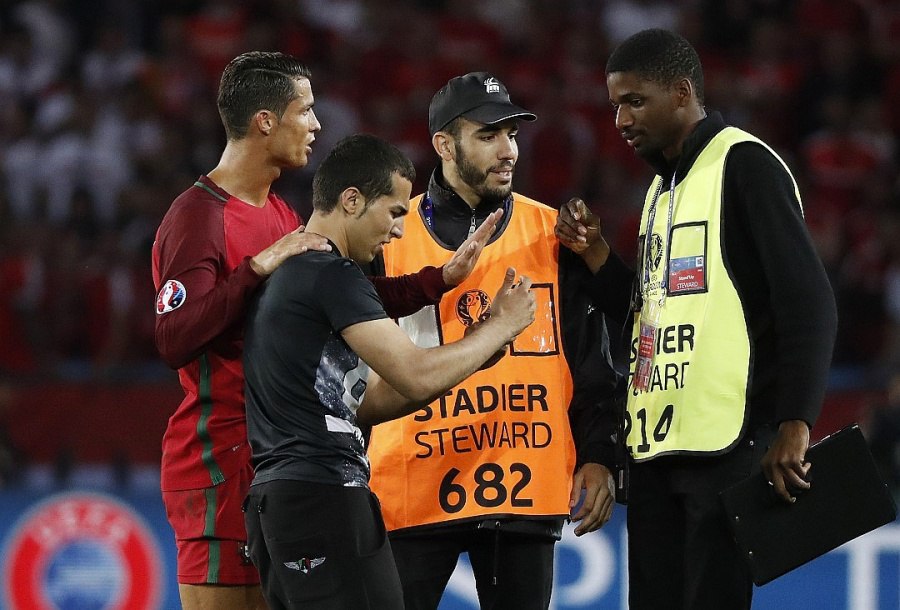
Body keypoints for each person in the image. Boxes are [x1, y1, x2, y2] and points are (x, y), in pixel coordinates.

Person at [151, 52, 495, 610]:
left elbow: (334, 298)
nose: (316, 124)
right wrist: (257, 267)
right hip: (219, 460)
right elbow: (173, 338)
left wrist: (436, 281)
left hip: (274, 458)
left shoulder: (281, 215)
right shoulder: (198, 217)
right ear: (266, 121)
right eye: (305, 110)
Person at [555, 29, 838, 609]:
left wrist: (796, 422)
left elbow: (809, 302)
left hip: (728, 446)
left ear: (682, 92)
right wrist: (598, 257)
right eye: (615, 105)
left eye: (635, 101)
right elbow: (650, 313)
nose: (621, 120)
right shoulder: (660, 190)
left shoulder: (745, 163)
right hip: (658, 451)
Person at [241, 133, 536, 609]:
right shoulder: (331, 274)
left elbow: (372, 402)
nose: (399, 231)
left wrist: (475, 353)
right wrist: (500, 327)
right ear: (352, 200)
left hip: (283, 504)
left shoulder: (294, 275)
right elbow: (413, 373)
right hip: (322, 496)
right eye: (395, 212)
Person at [366, 72, 622, 610]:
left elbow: (591, 359)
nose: (508, 151)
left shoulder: (553, 233)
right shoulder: (388, 236)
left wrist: (600, 454)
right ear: (444, 145)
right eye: (488, 135)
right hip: (412, 484)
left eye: (512, 134)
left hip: (523, 485)